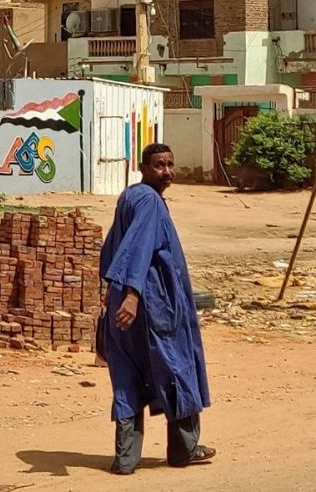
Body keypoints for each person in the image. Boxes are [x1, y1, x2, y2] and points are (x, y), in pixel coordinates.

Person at [98, 143, 215, 474]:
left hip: (126, 301)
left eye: (170, 165)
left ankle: (125, 459)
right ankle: (184, 450)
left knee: (128, 376)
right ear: (143, 167)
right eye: (159, 165)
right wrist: (133, 294)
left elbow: (112, 248)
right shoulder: (149, 201)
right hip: (153, 304)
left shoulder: (131, 197)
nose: (167, 171)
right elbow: (136, 248)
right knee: (177, 369)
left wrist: (113, 291)